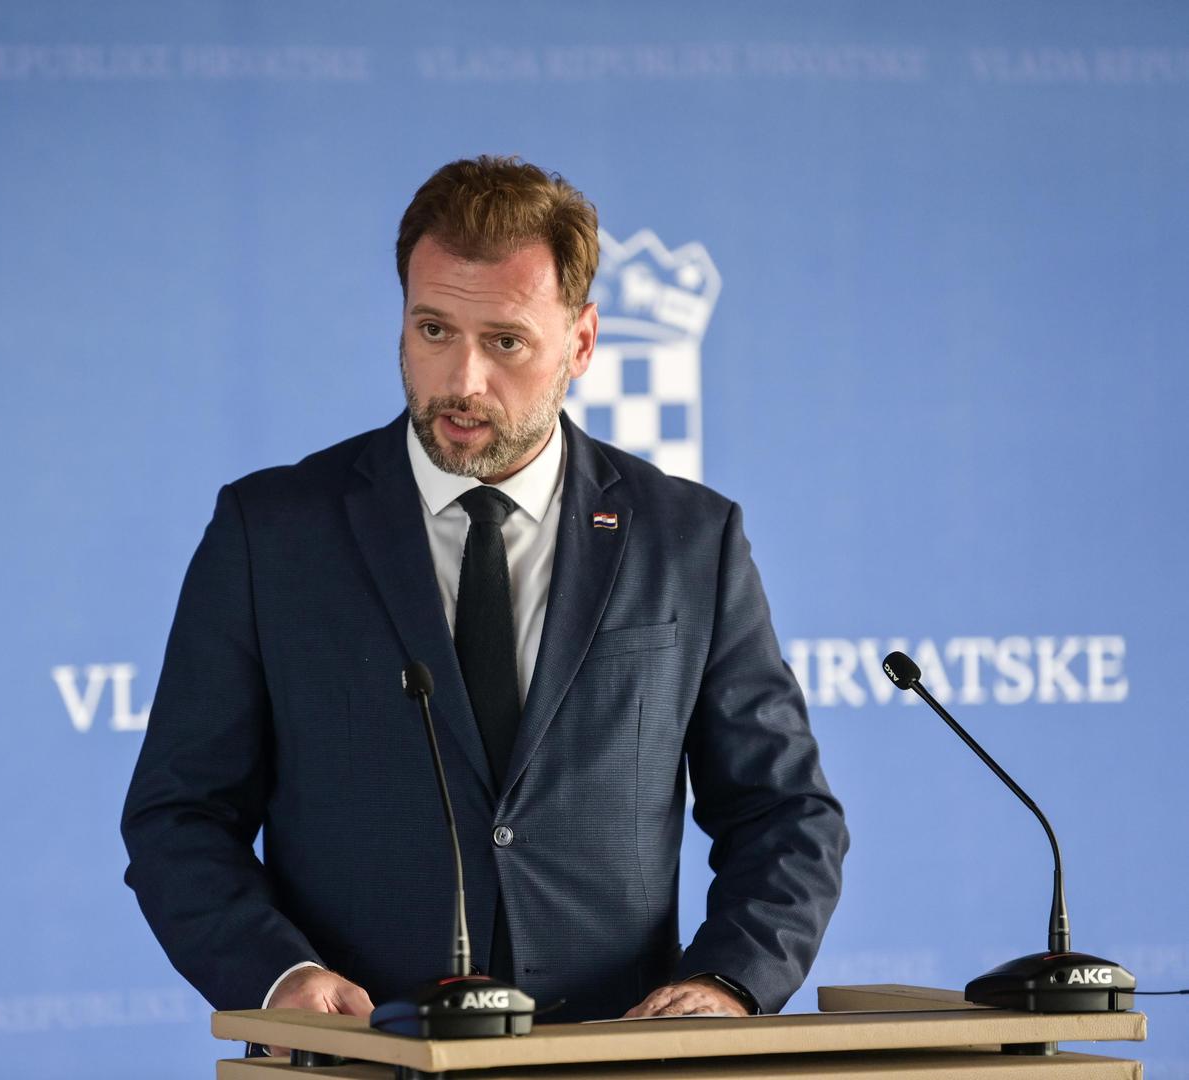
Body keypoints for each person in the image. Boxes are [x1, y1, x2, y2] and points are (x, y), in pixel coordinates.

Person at [121, 156, 849, 1025]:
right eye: (433, 330)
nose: (462, 381)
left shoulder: (689, 539)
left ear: (580, 343)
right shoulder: (271, 534)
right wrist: (279, 977)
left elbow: (783, 813)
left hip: (612, 1056)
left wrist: (726, 982)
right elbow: (179, 815)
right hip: (361, 1052)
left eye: (505, 342)